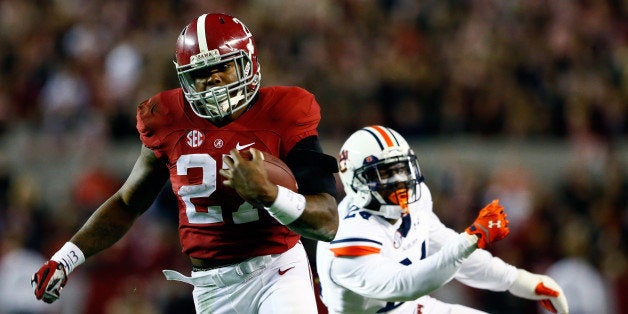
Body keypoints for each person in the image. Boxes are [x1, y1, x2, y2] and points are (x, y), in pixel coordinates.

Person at [31, 13, 339, 313]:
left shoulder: (284, 112)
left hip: (278, 272)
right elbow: (127, 203)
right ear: (184, 78)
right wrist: (66, 258)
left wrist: (271, 196)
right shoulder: (166, 119)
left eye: (223, 67)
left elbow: (327, 221)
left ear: (248, 63)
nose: (213, 79)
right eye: (200, 74)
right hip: (211, 288)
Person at [316, 125, 569, 314]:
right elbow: (406, 283)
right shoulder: (345, 237)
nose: (400, 181)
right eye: (385, 173)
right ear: (356, 182)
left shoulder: (412, 203)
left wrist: (518, 280)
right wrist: (473, 238)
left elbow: (447, 247)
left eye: (402, 169)